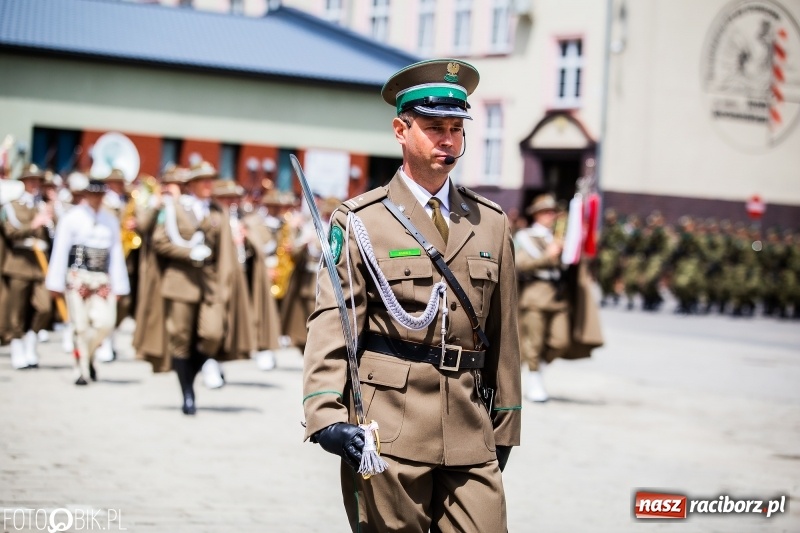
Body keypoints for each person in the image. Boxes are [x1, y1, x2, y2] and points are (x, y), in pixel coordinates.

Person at [302, 59, 521, 532]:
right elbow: (332, 322)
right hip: (388, 429)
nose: (449, 141)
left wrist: (506, 421)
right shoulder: (361, 220)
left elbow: (506, 334)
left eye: (456, 129)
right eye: (435, 128)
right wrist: (325, 414)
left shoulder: (491, 221)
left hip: (468, 426)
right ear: (401, 130)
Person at [147, 162, 254, 415]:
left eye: (210, 180)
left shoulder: (218, 212)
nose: (209, 185)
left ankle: (192, 375)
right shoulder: (174, 210)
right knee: (180, 340)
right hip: (180, 283)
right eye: (203, 180)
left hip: (210, 284)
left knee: (212, 334)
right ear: (191, 184)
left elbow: (225, 252)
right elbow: (159, 242)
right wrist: (188, 253)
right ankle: (187, 393)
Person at [45, 177, 130, 385]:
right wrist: (55, 283)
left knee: (105, 323)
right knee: (80, 326)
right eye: (93, 194)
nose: (96, 199)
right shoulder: (72, 218)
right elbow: (61, 250)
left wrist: (118, 285)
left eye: (100, 194)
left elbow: (115, 254)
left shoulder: (110, 219)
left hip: (101, 278)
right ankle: (81, 369)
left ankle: (89, 355)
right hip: (78, 276)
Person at [514, 193, 568, 402]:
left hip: (556, 296)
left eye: (553, 212)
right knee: (533, 342)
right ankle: (535, 379)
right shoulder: (525, 236)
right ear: (536, 214)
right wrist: (549, 257)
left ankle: (538, 369)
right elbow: (520, 265)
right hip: (534, 294)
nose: (550, 216)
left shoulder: (557, 238)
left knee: (561, 340)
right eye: (546, 212)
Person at [0, 164, 54, 370]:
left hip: (40, 265)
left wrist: (51, 216)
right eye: (31, 180)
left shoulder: (43, 205)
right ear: (22, 183)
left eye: (37, 181)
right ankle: (17, 347)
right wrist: (33, 225)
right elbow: (10, 232)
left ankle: (31, 341)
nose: (35, 184)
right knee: (17, 310)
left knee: (44, 307)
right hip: (19, 263)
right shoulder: (11, 206)